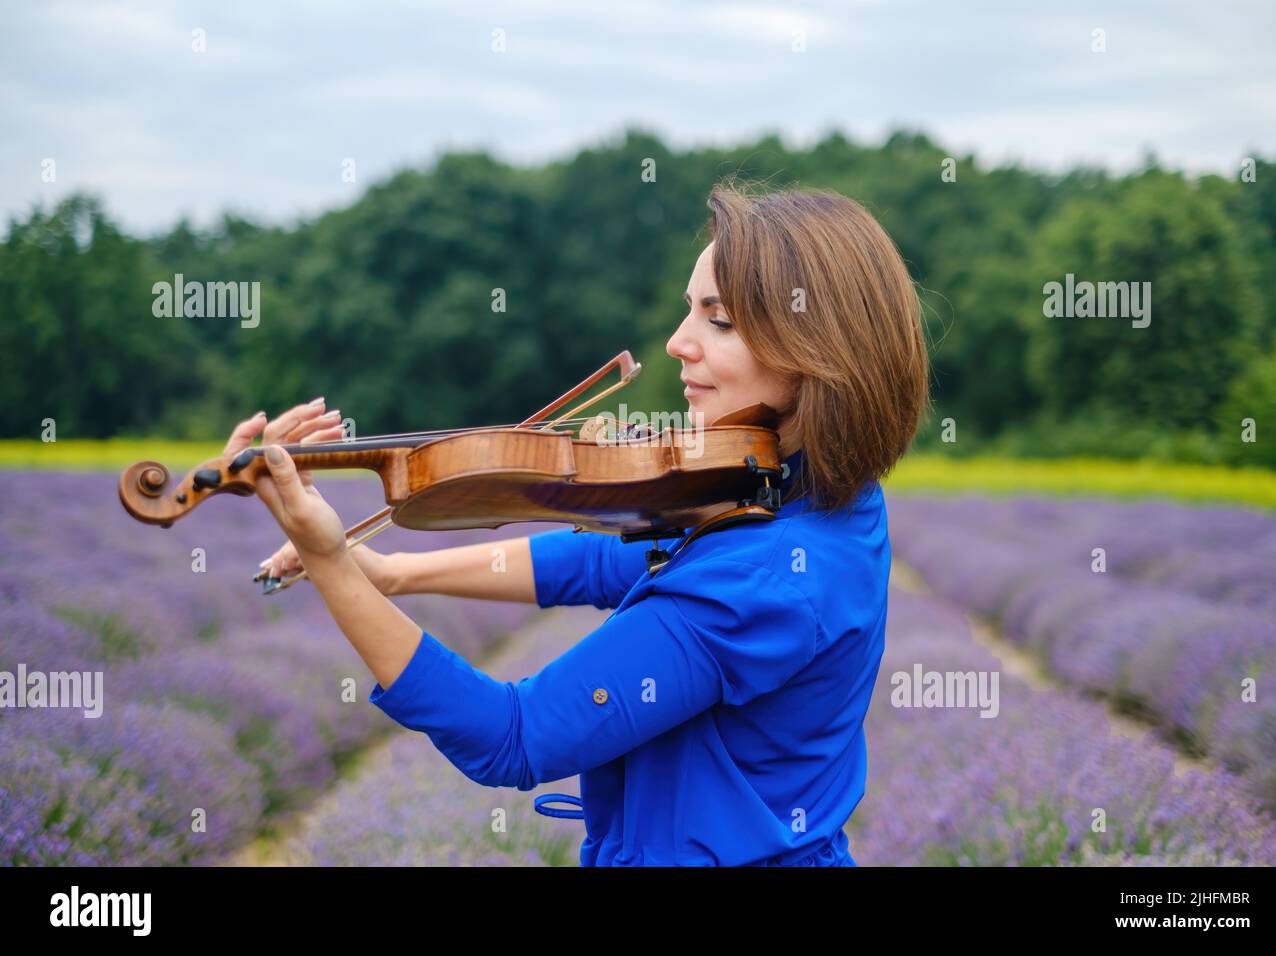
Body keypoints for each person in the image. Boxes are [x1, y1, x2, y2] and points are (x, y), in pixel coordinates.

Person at [229, 182, 930, 866]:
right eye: (690, 310)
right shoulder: (813, 490)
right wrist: (387, 572)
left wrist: (329, 560)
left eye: (718, 319)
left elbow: (513, 736)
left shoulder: (763, 582)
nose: (678, 341)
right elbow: (604, 562)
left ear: (819, 348)